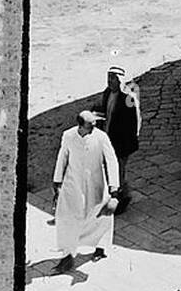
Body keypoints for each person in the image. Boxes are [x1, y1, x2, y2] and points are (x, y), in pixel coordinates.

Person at [51, 110, 120, 273]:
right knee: (66, 218)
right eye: (90, 125)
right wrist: (57, 180)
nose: (93, 128)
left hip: (96, 183)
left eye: (94, 124)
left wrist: (114, 186)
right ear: (80, 125)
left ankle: (100, 247)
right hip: (72, 183)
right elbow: (62, 157)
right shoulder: (68, 136)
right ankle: (67, 255)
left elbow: (112, 160)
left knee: (100, 216)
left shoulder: (101, 137)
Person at [92, 65, 141, 212]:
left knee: (118, 173)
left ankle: (121, 200)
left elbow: (133, 123)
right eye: (109, 78)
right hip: (108, 139)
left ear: (121, 81)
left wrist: (125, 145)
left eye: (113, 79)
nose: (110, 82)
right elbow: (105, 111)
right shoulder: (107, 93)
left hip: (121, 143)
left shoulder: (128, 99)